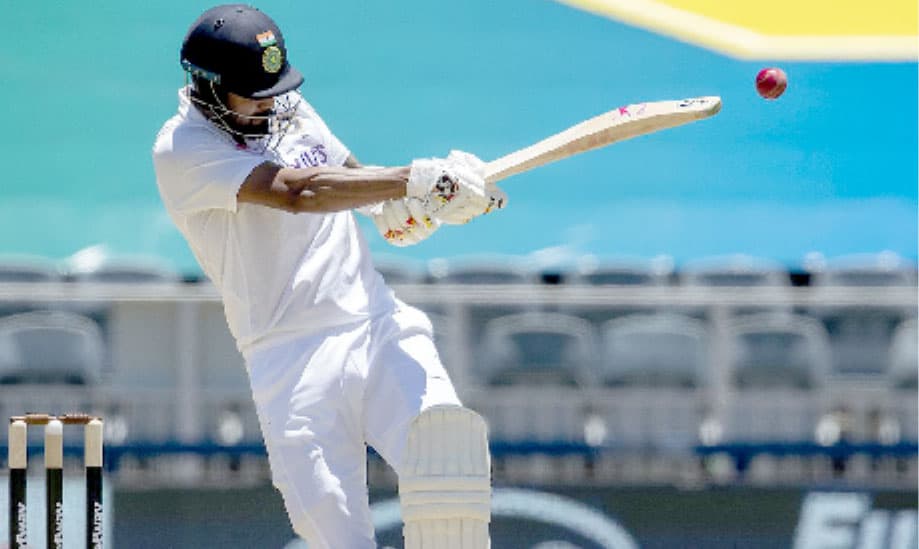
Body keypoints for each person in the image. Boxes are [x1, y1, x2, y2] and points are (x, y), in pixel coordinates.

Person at [152, 4, 505, 548]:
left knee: (446, 459)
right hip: (290, 358)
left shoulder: (288, 108)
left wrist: (411, 207)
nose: (270, 104)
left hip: (376, 323)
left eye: (274, 90)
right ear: (208, 87)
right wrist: (413, 179)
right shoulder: (182, 149)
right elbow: (299, 191)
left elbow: (350, 176)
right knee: (340, 539)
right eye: (253, 93)